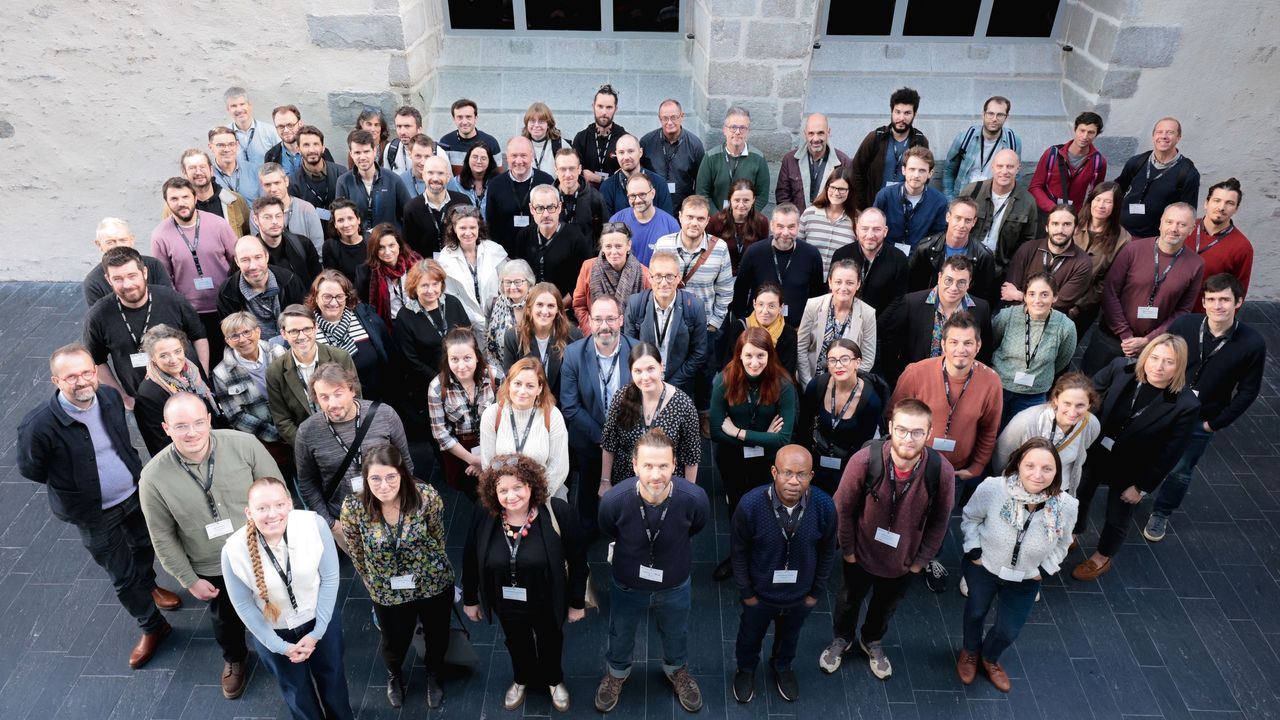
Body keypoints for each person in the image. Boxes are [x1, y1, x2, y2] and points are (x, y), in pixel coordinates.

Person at [18, 345, 184, 670]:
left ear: (95, 372)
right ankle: (153, 627)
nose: (81, 381)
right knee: (121, 575)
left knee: (142, 545)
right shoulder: (38, 425)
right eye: (70, 376)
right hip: (93, 513)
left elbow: (119, 440)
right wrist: (74, 487)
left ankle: (149, 585)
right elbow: (31, 468)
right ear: (56, 381)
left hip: (133, 493)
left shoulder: (108, 397)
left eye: (86, 372)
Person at [139, 393, 284, 699]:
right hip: (212, 566)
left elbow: (278, 494)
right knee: (225, 620)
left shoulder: (244, 445)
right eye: (180, 426)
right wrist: (188, 580)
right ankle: (235, 659)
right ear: (166, 428)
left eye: (197, 423)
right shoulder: (152, 478)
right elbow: (162, 535)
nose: (191, 432)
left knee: (278, 603)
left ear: (208, 420)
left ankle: (285, 646)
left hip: (263, 550)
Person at [819, 399, 954, 678]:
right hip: (859, 553)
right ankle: (841, 639)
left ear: (929, 433)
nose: (908, 438)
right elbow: (841, 508)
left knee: (885, 606)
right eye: (902, 430)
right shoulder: (865, 461)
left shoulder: (941, 471)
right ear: (890, 427)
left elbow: (941, 521)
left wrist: (919, 562)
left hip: (904, 561)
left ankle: (871, 641)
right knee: (849, 599)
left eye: (917, 432)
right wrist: (848, 551)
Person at [1143, 274, 1265, 542]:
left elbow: (1248, 391)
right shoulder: (1186, 324)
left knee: (1180, 471)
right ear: (1204, 302)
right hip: (1165, 408)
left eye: (1224, 299)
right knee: (1147, 454)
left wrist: (1215, 423)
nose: (1217, 305)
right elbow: (1159, 358)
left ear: (1238, 302)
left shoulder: (1252, 343)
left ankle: (1161, 512)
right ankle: (1138, 491)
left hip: (1201, 420)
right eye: (1211, 299)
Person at [595, 429, 710, 713]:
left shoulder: (694, 498)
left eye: (663, 465)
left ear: (675, 465)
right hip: (627, 581)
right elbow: (608, 528)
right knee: (620, 631)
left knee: (676, 631)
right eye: (647, 465)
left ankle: (676, 670)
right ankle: (617, 673)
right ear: (634, 465)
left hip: (674, 581)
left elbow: (697, 526)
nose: (655, 474)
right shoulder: (614, 500)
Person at [463, 453, 587, 712]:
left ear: (531, 485)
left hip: (547, 599)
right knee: (515, 641)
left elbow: (578, 560)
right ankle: (521, 679)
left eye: (518, 487)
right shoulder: (484, 514)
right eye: (503, 490)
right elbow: (470, 555)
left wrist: (576, 602)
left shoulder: (559, 512)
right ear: (493, 492)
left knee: (551, 641)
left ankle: (554, 680)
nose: (511, 496)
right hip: (506, 600)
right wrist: (471, 599)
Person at [221, 476, 352, 719]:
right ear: (249, 513)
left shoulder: (314, 525)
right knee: (296, 691)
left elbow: (331, 579)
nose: (272, 514)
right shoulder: (232, 550)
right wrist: (279, 646)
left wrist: (318, 632)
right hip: (273, 632)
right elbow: (243, 605)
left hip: (319, 619)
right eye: (262, 508)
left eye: (279, 504)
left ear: (290, 504)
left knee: (333, 680)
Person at [1071, 335, 1199, 580]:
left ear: (1179, 366)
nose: (1159, 366)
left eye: (1169, 362)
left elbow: (1170, 453)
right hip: (1097, 450)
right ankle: (1073, 534)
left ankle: (1102, 557)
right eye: (1154, 357)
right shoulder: (1122, 368)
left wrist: (1141, 488)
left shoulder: (1186, 405)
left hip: (1133, 467)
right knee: (1080, 494)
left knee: (1117, 515)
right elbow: (1089, 394)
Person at [957, 438, 1077, 693]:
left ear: (1057, 471)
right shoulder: (993, 488)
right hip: (984, 568)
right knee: (975, 612)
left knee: (1008, 630)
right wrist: (975, 551)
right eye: (1030, 465)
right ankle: (970, 652)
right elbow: (970, 517)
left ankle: (989, 658)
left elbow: (1064, 542)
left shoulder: (1066, 506)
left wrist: (1044, 570)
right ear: (1018, 465)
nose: (1037, 474)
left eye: (1047, 468)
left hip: (1026, 578)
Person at [342, 446, 454, 709]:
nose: (383, 485)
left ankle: (434, 672)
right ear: (366, 480)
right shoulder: (354, 507)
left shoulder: (425, 496)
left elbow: (438, 537)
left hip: (431, 581)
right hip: (386, 589)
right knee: (394, 640)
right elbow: (356, 551)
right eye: (375, 479)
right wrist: (372, 584)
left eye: (391, 477)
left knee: (437, 633)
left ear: (402, 474)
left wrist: (432, 565)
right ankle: (395, 674)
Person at [730, 444, 836, 703]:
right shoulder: (750, 505)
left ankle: (783, 667)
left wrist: (815, 593)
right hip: (759, 595)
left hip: (800, 596)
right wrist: (747, 594)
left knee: (790, 637)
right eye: (787, 473)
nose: (793, 481)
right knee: (749, 637)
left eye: (801, 474)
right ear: (774, 472)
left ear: (811, 476)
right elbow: (739, 553)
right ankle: (745, 669)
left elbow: (828, 552)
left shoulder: (824, 506)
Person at [711, 327, 798, 580]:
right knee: (737, 509)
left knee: (767, 509)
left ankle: (760, 554)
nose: (754, 362)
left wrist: (740, 433)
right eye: (748, 355)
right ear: (739, 355)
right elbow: (716, 431)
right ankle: (737, 557)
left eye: (760, 356)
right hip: (732, 461)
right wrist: (764, 437)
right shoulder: (724, 380)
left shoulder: (783, 385)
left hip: (767, 463)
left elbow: (783, 438)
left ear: (770, 355)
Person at [295, 364, 413, 550]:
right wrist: (332, 524)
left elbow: (405, 464)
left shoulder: (384, 415)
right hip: (345, 521)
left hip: (392, 510)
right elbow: (307, 482)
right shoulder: (307, 432)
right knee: (367, 574)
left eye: (338, 393)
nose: (332, 403)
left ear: (351, 389)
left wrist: (403, 507)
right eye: (324, 397)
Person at [1081, 203, 1205, 375]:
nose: (1174, 228)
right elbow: (1110, 292)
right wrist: (1126, 335)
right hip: (1111, 338)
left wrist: (1148, 340)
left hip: (1152, 348)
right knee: (1088, 388)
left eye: (1182, 224)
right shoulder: (1132, 249)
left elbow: (1183, 310)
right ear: (1161, 223)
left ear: (1191, 229)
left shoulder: (1196, 265)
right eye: (1169, 222)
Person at [891, 312, 1002, 498]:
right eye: (954, 342)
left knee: (941, 522)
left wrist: (976, 467)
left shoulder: (991, 382)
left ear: (978, 346)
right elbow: (892, 415)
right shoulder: (916, 372)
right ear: (943, 344)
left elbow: (989, 429)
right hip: (912, 466)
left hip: (955, 472)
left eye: (968, 343)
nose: (961, 349)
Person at [84, 246, 208, 408]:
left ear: (144, 273)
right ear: (108, 280)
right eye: (118, 279)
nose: (127, 284)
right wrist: (123, 397)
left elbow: (199, 336)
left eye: (132, 276)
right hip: (145, 402)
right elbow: (96, 360)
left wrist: (202, 376)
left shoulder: (172, 299)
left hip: (191, 391)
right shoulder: (98, 316)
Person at [561, 295, 638, 532]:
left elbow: (647, 400)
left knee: (627, 490)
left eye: (611, 319)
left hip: (629, 440)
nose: (605, 326)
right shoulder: (574, 354)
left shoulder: (639, 351)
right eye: (598, 319)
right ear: (590, 322)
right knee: (588, 489)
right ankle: (588, 529)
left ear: (621, 320)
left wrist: (619, 437)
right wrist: (604, 437)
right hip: (589, 439)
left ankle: (624, 527)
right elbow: (570, 405)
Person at [651, 194, 735, 385]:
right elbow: (654, 282)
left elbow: (725, 291)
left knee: (704, 380)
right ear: (680, 216)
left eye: (700, 218)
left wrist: (713, 324)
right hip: (669, 324)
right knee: (671, 379)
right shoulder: (663, 244)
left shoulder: (719, 248)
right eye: (689, 217)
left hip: (704, 328)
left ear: (707, 221)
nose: (694, 223)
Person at [151, 176, 239, 351]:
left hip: (225, 305)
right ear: (167, 203)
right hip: (190, 312)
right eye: (174, 199)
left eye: (185, 197)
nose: (181, 203)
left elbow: (236, 261)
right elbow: (164, 279)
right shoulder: (160, 235)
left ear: (195, 198)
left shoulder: (218, 225)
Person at [875, 256, 994, 385]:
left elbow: (984, 351)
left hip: (960, 385)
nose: (954, 288)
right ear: (939, 277)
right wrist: (897, 379)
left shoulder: (981, 309)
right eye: (949, 280)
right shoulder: (912, 303)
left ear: (969, 283)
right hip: (917, 382)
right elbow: (889, 345)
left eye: (961, 282)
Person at [600, 342, 702, 492]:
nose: (645, 377)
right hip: (626, 483)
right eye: (638, 371)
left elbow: (691, 456)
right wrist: (605, 481)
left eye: (651, 369)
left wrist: (688, 493)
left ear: (661, 366)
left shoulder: (683, 405)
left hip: (666, 485)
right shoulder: (622, 397)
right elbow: (609, 444)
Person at [798, 340, 886, 496]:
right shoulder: (817, 386)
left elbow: (862, 445)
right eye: (832, 360)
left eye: (845, 359)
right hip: (815, 461)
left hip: (847, 467)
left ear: (857, 362)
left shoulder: (871, 400)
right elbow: (803, 428)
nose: (838, 365)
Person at [991, 273, 1077, 426]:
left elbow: (1063, 360)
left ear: (1055, 297)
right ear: (1024, 296)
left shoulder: (1065, 327)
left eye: (1044, 294)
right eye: (1031, 294)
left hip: (1033, 394)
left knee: (1019, 439)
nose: (1037, 300)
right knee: (991, 432)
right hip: (999, 388)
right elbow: (992, 344)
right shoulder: (1007, 316)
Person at [995, 372, 1100, 495]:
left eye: (1080, 405)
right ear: (1056, 399)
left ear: (1090, 404)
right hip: (1022, 490)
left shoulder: (1091, 425)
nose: (1073, 412)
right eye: (1067, 403)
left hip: (1059, 492)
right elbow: (1001, 455)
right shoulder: (1026, 421)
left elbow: (1082, 452)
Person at [266, 305, 357, 446]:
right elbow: (282, 420)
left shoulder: (340, 357)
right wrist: (309, 446)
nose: (302, 336)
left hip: (348, 436)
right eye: (294, 331)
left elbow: (355, 399)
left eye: (307, 329)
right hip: (308, 444)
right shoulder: (275, 371)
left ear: (316, 328)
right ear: (283, 334)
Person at [480, 358, 570, 499]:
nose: (522, 391)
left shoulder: (551, 415)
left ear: (539, 388)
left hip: (544, 497)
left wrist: (533, 500)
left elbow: (559, 467)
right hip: (507, 499)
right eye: (517, 383)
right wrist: (510, 498)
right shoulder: (492, 415)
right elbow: (488, 465)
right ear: (509, 384)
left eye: (530, 386)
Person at [623, 251, 708, 400]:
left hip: (679, 387)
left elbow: (699, 353)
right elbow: (630, 348)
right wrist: (648, 379)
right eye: (658, 276)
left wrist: (672, 384)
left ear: (678, 278)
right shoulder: (636, 304)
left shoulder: (695, 307)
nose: (663, 282)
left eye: (669, 276)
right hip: (644, 384)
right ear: (649, 277)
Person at [133, 324, 229, 456]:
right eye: (164, 355)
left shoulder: (193, 370)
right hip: (188, 457)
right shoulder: (149, 394)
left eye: (177, 351)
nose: (173, 360)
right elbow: (159, 444)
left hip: (215, 445)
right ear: (152, 358)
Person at [428, 328, 499, 499]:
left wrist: (488, 457)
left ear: (476, 356)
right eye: (454, 359)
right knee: (472, 494)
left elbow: (507, 418)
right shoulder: (437, 387)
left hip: (495, 445)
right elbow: (440, 432)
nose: (461, 366)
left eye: (467, 358)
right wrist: (473, 460)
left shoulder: (495, 376)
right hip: (461, 449)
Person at [305, 270, 394, 400]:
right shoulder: (306, 329)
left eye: (339, 296)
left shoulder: (367, 319)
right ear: (316, 297)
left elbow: (390, 357)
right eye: (327, 297)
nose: (334, 303)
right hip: (334, 407)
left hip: (376, 402)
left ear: (347, 297)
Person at [732, 203, 825, 327]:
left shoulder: (812, 255)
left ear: (798, 227)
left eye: (791, 227)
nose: (785, 233)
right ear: (772, 226)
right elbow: (740, 292)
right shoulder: (754, 252)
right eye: (780, 226)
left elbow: (817, 297)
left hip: (797, 329)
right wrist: (744, 324)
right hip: (757, 329)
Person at [394, 258, 473, 394]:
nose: (431, 290)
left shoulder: (453, 302)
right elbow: (411, 360)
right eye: (424, 285)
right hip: (430, 385)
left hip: (464, 374)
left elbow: (469, 338)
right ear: (414, 287)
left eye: (435, 284)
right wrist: (440, 380)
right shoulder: (405, 316)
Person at [212, 312, 288, 452]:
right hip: (261, 440)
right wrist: (275, 435)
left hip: (294, 427)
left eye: (247, 332)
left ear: (258, 331)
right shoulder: (221, 373)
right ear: (228, 341)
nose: (242, 339)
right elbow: (235, 416)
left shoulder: (279, 352)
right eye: (234, 335)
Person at [1001, 204, 1093, 317]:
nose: (1060, 230)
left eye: (1067, 224)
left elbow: (1059, 305)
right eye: (1055, 224)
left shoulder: (1083, 263)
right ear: (1046, 227)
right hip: (1016, 316)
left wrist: (1020, 296)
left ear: (1076, 229)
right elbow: (1008, 292)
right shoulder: (1027, 248)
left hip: (1051, 323)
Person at [1115, 117, 1201, 238]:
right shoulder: (1137, 162)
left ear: (1178, 138)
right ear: (1153, 136)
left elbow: (1187, 213)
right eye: (1159, 132)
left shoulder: (1188, 173)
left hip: (1152, 240)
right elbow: (1117, 190)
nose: (1164, 136)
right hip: (1119, 233)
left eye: (1170, 132)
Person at [957, 149, 1038, 276]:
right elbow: (953, 225)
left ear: (1018, 169)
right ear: (993, 167)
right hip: (964, 263)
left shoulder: (1028, 202)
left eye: (1010, 167)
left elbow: (1027, 242)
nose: (1004, 171)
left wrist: (1013, 271)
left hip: (1000, 270)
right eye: (1000, 166)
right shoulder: (972, 191)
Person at [796, 259, 876, 387]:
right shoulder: (813, 306)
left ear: (858, 284)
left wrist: (848, 386)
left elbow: (868, 358)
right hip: (811, 379)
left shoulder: (868, 313)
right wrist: (808, 384)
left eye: (850, 283)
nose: (843, 288)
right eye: (838, 282)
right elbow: (801, 347)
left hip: (847, 383)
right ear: (830, 282)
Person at [848, 87, 929, 211]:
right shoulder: (876, 137)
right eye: (897, 112)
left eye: (907, 113)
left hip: (905, 209)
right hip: (874, 206)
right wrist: (861, 207)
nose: (901, 118)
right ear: (891, 111)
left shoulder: (920, 141)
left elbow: (925, 175)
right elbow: (856, 172)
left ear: (915, 114)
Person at [215, 235, 307, 340]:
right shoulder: (227, 294)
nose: (253, 266)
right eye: (245, 260)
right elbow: (231, 335)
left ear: (266, 256)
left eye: (258, 257)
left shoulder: (290, 281)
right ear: (237, 262)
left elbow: (304, 321)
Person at [907, 196, 997, 302]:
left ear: (974, 222)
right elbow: (912, 287)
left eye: (967, 220)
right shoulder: (925, 248)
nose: (961, 225)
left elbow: (984, 296)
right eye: (958, 218)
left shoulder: (983, 256)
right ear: (948, 217)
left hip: (963, 313)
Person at [1071, 181, 1131, 334]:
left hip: (1084, 307)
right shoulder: (1072, 223)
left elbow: (1107, 282)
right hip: (1052, 298)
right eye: (1098, 199)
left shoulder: (1123, 239)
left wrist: (1078, 306)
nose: (1101, 205)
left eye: (1108, 201)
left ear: (1116, 206)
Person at [503, 281, 582, 397]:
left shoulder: (573, 336)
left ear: (558, 310)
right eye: (539, 305)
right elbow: (511, 378)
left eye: (551, 306)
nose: (545, 311)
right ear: (530, 308)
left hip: (562, 406)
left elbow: (576, 382)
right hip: (526, 402)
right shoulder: (513, 336)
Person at [514, 184, 595, 298]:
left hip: (565, 308)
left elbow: (581, 284)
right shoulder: (524, 235)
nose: (546, 214)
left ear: (559, 207)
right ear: (532, 209)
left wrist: (558, 307)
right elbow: (519, 276)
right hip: (530, 304)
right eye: (540, 208)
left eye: (551, 207)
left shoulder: (576, 238)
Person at [438, 204, 509, 334]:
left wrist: (495, 319)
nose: (468, 233)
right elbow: (452, 297)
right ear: (454, 228)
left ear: (478, 227)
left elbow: (506, 286)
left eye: (472, 227)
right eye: (463, 228)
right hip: (466, 326)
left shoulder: (494, 250)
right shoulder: (446, 257)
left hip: (499, 323)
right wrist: (480, 322)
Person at [572, 222, 651, 333]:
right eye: (608, 246)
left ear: (629, 245)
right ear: (602, 247)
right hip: (595, 334)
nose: (613, 252)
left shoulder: (644, 274)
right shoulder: (588, 267)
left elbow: (648, 311)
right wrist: (591, 331)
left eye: (618, 246)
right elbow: (579, 305)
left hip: (632, 338)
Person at [1028, 111, 1107, 219]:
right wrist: (1053, 209)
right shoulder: (1052, 154)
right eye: (1082, 130)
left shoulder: (1099, 162)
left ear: (1096, 135)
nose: (1085, 136)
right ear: (1074, 129)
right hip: (1046, 213)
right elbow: (1035, 187)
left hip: (1075, 216)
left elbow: (1096, 195)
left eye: (1091, 132)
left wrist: (1084, 215)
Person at [1188, 178, 1252, 311]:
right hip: (1171, 312)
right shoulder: (1184, 228)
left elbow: (1239, 292)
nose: (1222, 208)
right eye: (1217, 201)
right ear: (1206, 203)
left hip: (1207, 316)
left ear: (1236, 209)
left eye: (1229, 203)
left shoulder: (1242, 246)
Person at [486, 136, 556, 256]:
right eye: (514, 156)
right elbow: (491, 225)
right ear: (507, 157)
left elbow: (554, 220)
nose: (519, 161)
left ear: (531, 156)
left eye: (523, 156)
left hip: (540, 254)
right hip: (504, 255)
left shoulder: (546, 181)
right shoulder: (495, 185)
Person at [830, 207, 908, 313]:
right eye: (865, 229)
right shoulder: (841, 254)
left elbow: (899, 300)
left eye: (876, 229)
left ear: (885, 231)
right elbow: (833, 292)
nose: (870, 235)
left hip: (882, 326)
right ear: (857, 229)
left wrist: (874, 326)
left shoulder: (899, 259)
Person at [336, 129, 413, 235]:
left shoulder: (393, 180)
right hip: (359, 245)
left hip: (389, 246)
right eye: (357, 152)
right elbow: (340, 216)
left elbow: (408, 215)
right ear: (351, 154)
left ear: (374, 151)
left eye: (366, 151)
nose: (362, 157)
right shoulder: (344, 182)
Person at [942, 96, 1022, 199]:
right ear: (983, 114)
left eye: (1000, 115)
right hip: (965, 197)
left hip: (994, 199)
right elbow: (949, 171)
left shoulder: (1013, 142)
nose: (994, 119)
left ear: (1006, 117)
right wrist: (950, 201)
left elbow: (1016, 175)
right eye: (990, 114)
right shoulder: (965, 138)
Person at [873, 146, 949, 253]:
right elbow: (874, 227)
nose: (916, 175)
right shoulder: (885, 195)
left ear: (930, 173)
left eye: (922, 171)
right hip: (886, 255)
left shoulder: (939, 201)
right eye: (912, 169)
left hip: (920, 259)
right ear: (903, 170)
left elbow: (938, 237)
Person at [83, 217, 172, 307]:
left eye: (123, 240)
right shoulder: (93, 282)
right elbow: (99, 317)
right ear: (99, 244)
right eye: (110, 242)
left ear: (132, 240)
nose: (118, 246)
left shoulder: (154, 266)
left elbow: (168, 301)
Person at [696, 106, 771, 212]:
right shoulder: (710, 157)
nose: (737, 132)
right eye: (733, 127)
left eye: (742, 128)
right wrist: (718, 218)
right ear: (724, 130)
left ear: (748, 131)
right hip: (716, 223)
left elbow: (762, 196)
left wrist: (746, 217)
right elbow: (702, 194)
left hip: (747, 223)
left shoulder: (758, 159)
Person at [723, 281, 799, 378]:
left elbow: (787, 373)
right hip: (742, 385)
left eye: (771, 306)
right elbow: (729, 367)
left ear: (781, 307)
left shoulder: (789, 333)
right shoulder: (739, 328)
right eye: (760, 304)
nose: (765, 311)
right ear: (754, 304)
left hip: (775, 387)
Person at [639, 99, 705, 209]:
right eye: (665, 118)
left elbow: (700, 182)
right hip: (653, 207)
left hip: (683, 209)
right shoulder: (646, 142)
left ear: (682, 116)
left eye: (673, 117)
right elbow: (639, 173)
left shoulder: (695, 145)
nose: (669, 122)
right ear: (660, 119)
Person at [776, 112, 851, 209]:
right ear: (805, 134)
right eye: (811, 133)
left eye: (820, 133)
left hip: (827, 223)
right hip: (797, 222)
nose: (815, 139)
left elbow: (849, 199)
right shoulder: (789, 160)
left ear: (828, 132)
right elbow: (782, 197)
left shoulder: (843, 162)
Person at [402, 154, 470, 258]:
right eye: (430, 173)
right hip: (427, 269)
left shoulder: (463, 202)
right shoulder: (411, 208)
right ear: (423, 175)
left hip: (459, 268)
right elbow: (409, 248)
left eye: (440, 173)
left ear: (448, 177)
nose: (435, 178)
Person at [609, 174, 681, 266]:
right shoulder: (616, 221)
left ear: (653, 193)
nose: (638, 200)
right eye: (632, 196)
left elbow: (676, 264)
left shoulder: (670, 225)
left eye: (642, 194)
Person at [358, 222, 422, 328]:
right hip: (390, 325)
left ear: (399, 245)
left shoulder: (416, 262)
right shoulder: (366, 273)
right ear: (374, 250)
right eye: (381, 247)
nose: (387, 252)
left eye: (391, 245)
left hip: (419, 317)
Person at [252, 196, 323, 286]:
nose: (274, 221)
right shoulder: (249, 253)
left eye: (278, 216)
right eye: (267, 217)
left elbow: (318, 283)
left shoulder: (303, 244)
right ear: (256, 220)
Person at [179, 149, 252, 236]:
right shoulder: (176, 207)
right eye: (192, 168)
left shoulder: (235, 200)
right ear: (184, 174)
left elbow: (249, 234)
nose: (198, 172)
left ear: (211, 170)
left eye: (202, 167)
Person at [599, 133, 675, 217]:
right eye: (621, 152)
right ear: (616, 155)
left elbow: (666, 220)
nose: (626, 157)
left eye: (630, 151)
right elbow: (607, 225)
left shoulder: (659, 183)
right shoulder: (607, 187)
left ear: (640, 152)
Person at [257, 162, 326, 251]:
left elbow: (318, 249)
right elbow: (259, 249)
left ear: (286, 181)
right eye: (267, 185)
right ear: (262, 186)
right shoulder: (257, 213)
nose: (273, 189)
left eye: (277, 183)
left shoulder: (307, 209)